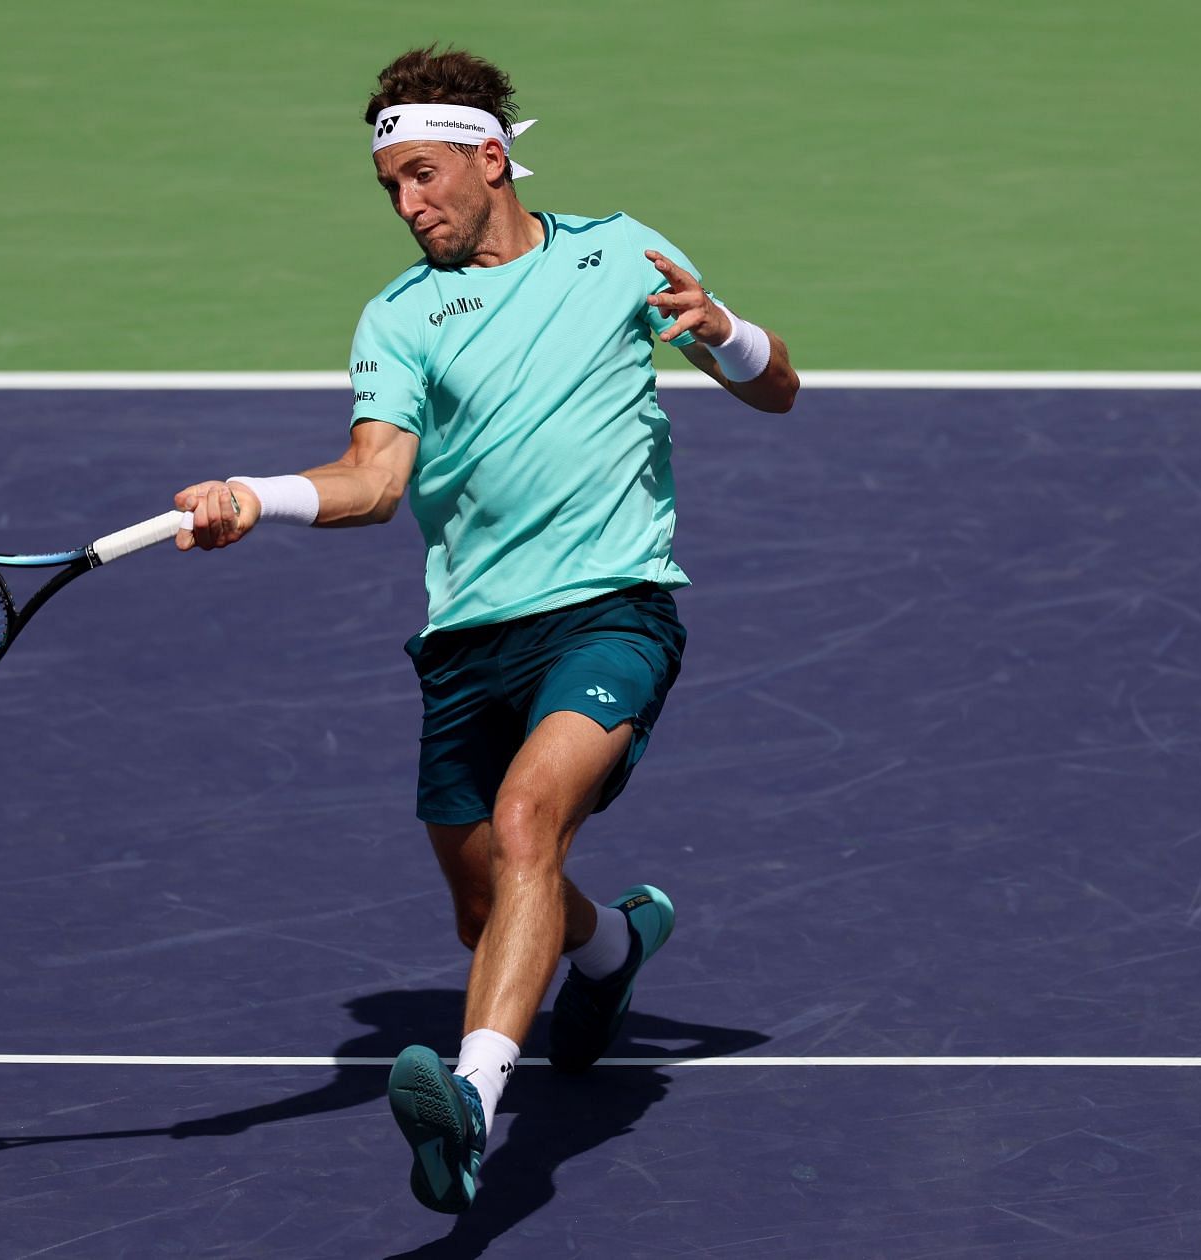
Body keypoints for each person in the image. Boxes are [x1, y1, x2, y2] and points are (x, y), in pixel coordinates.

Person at [171, 46, 797, 1214]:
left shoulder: (621, 252)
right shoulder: (400, 316)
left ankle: (471, 1105)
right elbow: (372, 482)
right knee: (494, 899)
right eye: (391, 188)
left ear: (491, 158)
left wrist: (720, 331)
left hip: (614, 609)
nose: (410, 207)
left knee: (527, 820)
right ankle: (611, 949)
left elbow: (780, 389)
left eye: (423, 177)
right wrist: (258, 494)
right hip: (468, 640)